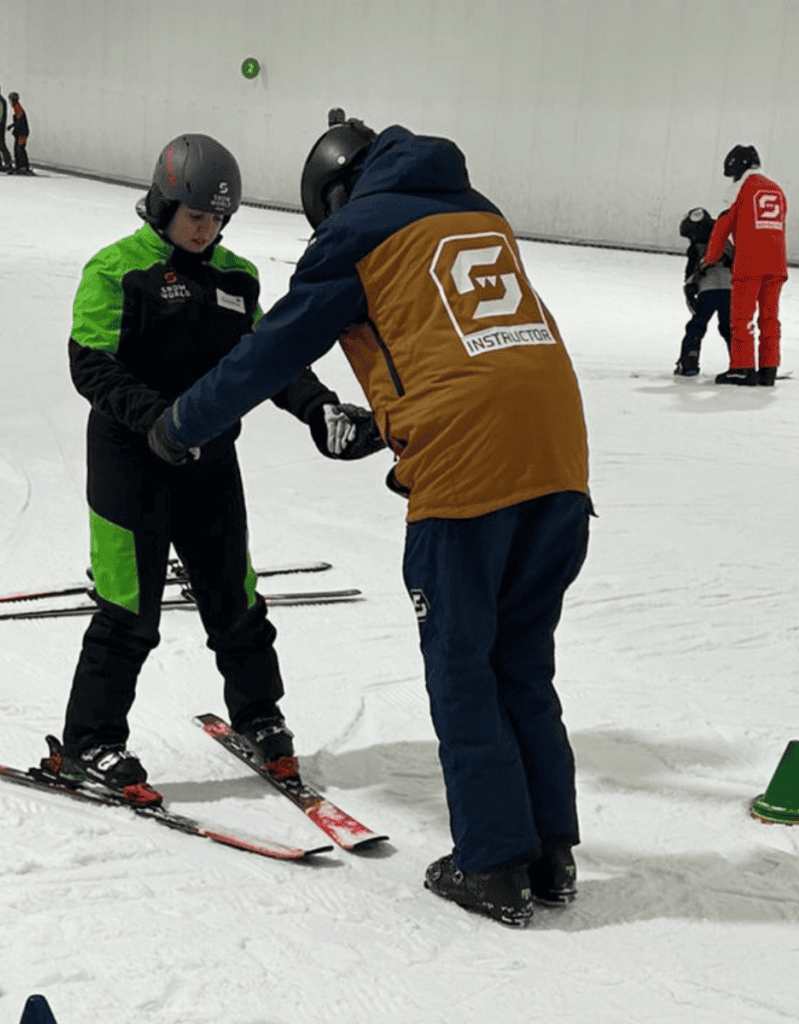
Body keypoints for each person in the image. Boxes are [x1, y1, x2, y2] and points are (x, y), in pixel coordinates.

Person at [149, 112, 592, 928]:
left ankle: (492, 863)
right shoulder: (477, 210)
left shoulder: (360, 231)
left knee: (463, 666)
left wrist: (180, 424)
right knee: (521, 662)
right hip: (561, 458)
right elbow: (460, 341)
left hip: (469, 471)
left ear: (335, 195)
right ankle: (551, 855)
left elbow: (269, 352)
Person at [44, 133, 367, 806]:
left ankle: (259, 716)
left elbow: (268, 361)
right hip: (130, 463)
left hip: (210, 465)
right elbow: (91, 365)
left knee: (236, 601)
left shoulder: (235, 278)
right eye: (196, 215)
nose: (206, 228)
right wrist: (158, 420)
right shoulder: (116, 271)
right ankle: (89, 740)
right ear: (163, 204)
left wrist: (318, 408)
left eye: (218, 218)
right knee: (129, 612)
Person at [705, 145, 788, 386]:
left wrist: (709, 259)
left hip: (750, 263)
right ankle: (769, 369)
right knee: (770, 318)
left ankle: (742, 368)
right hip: (777, 264)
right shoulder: (777, 189)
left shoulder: (741, 188)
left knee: (741, 318)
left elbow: (723, 225)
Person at [675, 207, 731, 376]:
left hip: (708, 290)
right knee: (730, 328)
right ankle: (741, 363)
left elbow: (691, 272)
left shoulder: (696, 248)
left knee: (697, 326)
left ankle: (688, 363)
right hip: (731, 289)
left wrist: (690, 289)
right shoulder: (725, 242)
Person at [7, 91, 31, 175]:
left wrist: (15, 129)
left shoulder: (17, 108)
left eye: (9, 99)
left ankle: (23, 166)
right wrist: (12, 126)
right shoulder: (16, 107)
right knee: (17, 149)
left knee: (20, 149)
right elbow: (18, 120)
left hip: (22, 133)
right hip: (21, 132)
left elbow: (20, 121)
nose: (9, 102)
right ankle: (19, 166)